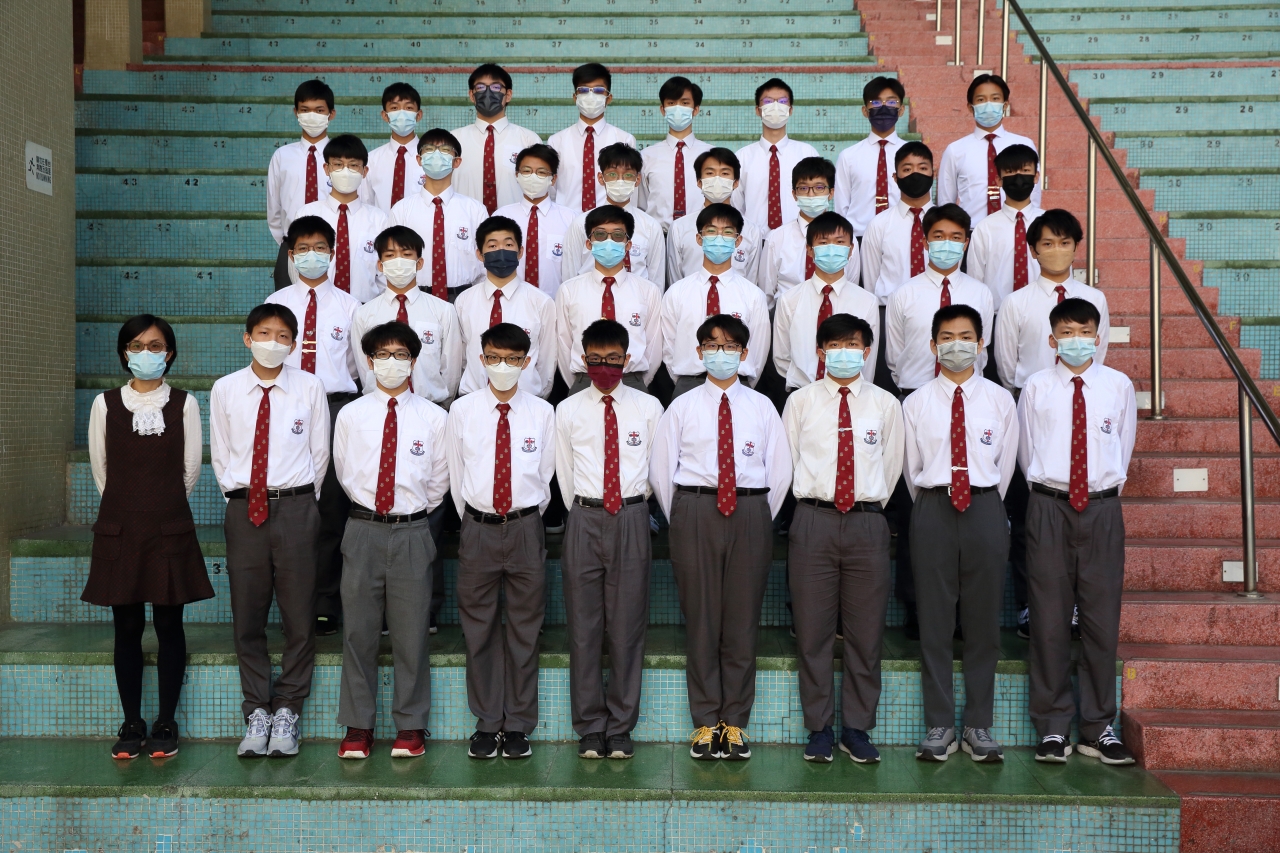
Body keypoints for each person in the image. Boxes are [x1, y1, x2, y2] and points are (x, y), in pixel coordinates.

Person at [650, 314, 792, 761]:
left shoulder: (762, 406)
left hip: (750, 511)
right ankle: (705, 722)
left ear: (745, 354)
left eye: (731, 346)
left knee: (742, 622)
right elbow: (661, 471)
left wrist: (755, 515)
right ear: (699, 353)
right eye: (712, 345)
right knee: (702, 621)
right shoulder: (682, 407)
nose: (721, 353)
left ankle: (734, 723)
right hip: (695, 510)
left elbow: (780, 471)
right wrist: (685, 517)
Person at [1019, 298, 1137, 766]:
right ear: (1052, 340)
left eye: (1085, 331)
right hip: (1049, 506)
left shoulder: (1118, 386)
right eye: (1066, 332)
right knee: (1048, 620)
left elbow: (1123, 447)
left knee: (1101, 620)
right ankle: (1052, 726)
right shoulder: (1036, 387)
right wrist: (1054, 492)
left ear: (1098, 337)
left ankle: (1097, 727)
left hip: (1102, 509)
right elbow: (1027, 450)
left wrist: (1097, 492)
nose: (1076, 340)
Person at [87, 315, 209, 761]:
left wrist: (160, 504)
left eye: (155, 346)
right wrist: (129, 506)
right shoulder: (105, 404)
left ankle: (166, 722)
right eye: (136, 346)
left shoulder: (185, 403)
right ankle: (132, 722)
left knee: (169, 625)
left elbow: (190, 469)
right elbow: (100, 468)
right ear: (124, 353)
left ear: (169, 353)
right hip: (120, 527)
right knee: (126, 628)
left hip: (168, 526)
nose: (146, 353)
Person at [210, 303, 330, 758]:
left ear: (294, 344)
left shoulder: (309, 387)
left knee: (299, 615)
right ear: (247, 338)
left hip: (296, 507)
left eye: (283, 336)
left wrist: (299, 501)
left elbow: (320, 454)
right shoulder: (225, 389)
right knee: (248, 615)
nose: (273, 342)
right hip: (245, 509)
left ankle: (287, 711)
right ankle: (256, 710)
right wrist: (242, 499)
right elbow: (221, 454)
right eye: (264, 333)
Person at [783, 313, 903, 764]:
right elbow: (788, 460)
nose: (844, 352)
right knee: (813, 632)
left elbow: (892, 466)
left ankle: (856, 728)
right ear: (820, 352)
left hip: (867, 522)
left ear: (867, 352)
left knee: (865, 633)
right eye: (834, 345)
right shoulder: (801, 402)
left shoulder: (885, 404)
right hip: (813, 519)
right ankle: (819, 728)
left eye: (853, 344)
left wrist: (865, 506)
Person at [902, 304, 1017, 762]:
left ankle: (978, 725)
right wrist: (938, 498)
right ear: (933, 346)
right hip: (932, 507)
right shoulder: (915, 402)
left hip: (985, 507)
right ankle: (940, 725)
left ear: (981, 344)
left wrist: (983, 500)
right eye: (947, 338)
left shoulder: (1000, 400)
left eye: (966, 337)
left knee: (983, 623)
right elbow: (911, 469)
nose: (957, 345)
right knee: (934, 623)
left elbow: (1006, 464)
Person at [334, 321, 449, 761]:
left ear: (414, 361)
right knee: (358, 632)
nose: (392, 362)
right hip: (363, 528)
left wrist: (408, 514)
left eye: (401, 354)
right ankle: (358, 726)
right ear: (368, 361)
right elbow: (345, 473)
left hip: (413, 531)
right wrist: (374, 511)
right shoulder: (351, 415)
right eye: (382, 354)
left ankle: (410, 725)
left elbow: (438, 483)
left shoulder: (434, 417)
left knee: (411, 633)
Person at [994, 209, 1109, 639]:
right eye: (1047, 243)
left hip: (1080, 410)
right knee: (1029, 515)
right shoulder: (1016, 302)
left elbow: (1098, 356)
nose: (1056, 250)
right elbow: (1006, 365)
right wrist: (1034, 396)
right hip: (1032, 409)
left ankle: (1078, 608)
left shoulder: (1095, 299)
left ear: (1076, 247)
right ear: (1033, 250)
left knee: (1081, 522)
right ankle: (1031, 606)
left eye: (1064, 242)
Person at [445, 323, 557, 760]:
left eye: (512, 359)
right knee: (480, 629)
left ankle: (518, 725)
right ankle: (488, 721)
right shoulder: (463, 411)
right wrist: (476, 518)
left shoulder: (542, 413)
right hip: (478, 527)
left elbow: (546, 476)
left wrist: (523, 517)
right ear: (481, 360)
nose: (503, 366)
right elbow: (457, 475)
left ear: (527, 362)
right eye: (494, 358)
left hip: (526, 525)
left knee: (525, 628)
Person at [556, 319, 665, 759]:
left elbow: (657, 469)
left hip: (632, 517)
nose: (605, 367)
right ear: (584, 361)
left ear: (627, 359)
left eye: (614, 359)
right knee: (584, 629)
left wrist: (633, 508)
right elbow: (564, 473)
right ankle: (589, 725)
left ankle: (620, 726)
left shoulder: (648, 408)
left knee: (626, 628)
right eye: (596, 360)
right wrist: (587, 508)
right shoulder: (567, 410)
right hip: (584, 516)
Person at [265, 216, 361, 637]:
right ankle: (293, 602)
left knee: (333, 507)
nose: (311, 255)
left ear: (333, 253)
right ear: (290, 255)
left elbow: (355, 367)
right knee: (293, 506)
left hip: (335, 406)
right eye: (302, 248)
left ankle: (325, 601)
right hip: (288, 407)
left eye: (320, 247)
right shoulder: (277, 301)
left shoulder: (350, 306)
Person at [859, 142, 937, 637]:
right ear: (894, 174)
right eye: (906, 167)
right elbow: (871, 278)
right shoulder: (880, 225)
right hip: (894, 329)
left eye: (922, 167)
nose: (914, 173)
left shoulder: (947, 225)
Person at [661, 204, 770, 399]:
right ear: (699, 238)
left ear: (738, 240)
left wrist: (743, 381)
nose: (719, 238)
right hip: (689, 385)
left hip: (738, 386)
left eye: (727, 232)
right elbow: (668, 347)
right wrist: (686, 380)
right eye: (711, 231)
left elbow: (758, 352)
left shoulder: (753, 295)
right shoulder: (677, 293)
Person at [351, 225, 464, 409]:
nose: (398, 261)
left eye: (406, 254)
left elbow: (451, 368)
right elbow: (365, 370)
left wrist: (441, 406)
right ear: (380, 265)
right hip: (379, 409)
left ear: (419, 263)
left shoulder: (443, 310)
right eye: (390, 255)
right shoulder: (364, 314)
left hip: (431, 407)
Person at [885, 204, 994, 394]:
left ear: (965, 244)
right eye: (939, 236)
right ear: (925, 242)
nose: (947, 243)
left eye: (955, 237)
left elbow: (981, 351)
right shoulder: (903, 294)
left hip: (967, 393)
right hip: (915, 391)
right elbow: (895, 355)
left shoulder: (981, 293)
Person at [555, 207, 663, 395]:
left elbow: (654, 348)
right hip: (584, 382)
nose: (609, 241)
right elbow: (563, 347)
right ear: (589, 243)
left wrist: (636, 380)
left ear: (628, 245)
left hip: (632, 382)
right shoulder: (569, 290)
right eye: (600, 235)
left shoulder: (648, 291)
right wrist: (580, 381)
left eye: (618, 235)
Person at [774, 212, 879, 392]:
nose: (831, 249)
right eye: (823, 243)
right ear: (809, 250)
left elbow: (868, 359)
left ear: (851, 249)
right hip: (802, 393)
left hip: (849, 394)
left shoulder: (867, 301)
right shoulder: (789, 299)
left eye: (839, 242)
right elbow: (782, 357)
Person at [454, 215, 557, 398]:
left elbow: (547, 362)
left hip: (526, 400)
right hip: (473, 400)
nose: (501, 251)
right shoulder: (464, 301)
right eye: (492, 246)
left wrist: (536, 400)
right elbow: (460, 358)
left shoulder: (541, 302)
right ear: (479, 254)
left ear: (520, 252)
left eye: (508, 245)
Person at [387, 128, 488, 301]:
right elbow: (390, 259)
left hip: (464, 297)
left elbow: (485, 263)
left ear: (456, 161)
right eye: (429, 149)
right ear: (419, 159)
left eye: (445, 150)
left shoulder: (475, 210)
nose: (436, 155)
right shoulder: (401, 210)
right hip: (416, 298)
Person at [292, 133, 389, 303]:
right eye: (338, 164)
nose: (345, 171)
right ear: (326, 168)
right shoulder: (307, 214)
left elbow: (385, 274)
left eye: (353, 165)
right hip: (319, 305)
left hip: (366, 307)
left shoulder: (379, 219)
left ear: (364, 171)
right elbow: (296, 268)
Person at [936, 74, 1041, 226]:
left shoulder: (1024, 144)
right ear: (970, 107)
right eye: (981, 100)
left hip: (1016, 229)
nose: (988, 105)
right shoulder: (955, 150)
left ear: (1005, 105)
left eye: (995, 98)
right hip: (972, 230)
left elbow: (1034, 195)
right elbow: (946, 202)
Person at [560, 143, 665, 286]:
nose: (620, 180)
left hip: (638, 299)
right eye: (612, 174)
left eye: (628, 175)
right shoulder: (580, 224)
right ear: (601, 178)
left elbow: (656, 281)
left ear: (638, 179)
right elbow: (569, 277)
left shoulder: (651, 226)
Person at [760, 157, 854, 310]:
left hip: (835, 315)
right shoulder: (776, 238)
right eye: (803, 188)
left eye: (819, 187)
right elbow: (766, 293)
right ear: (794, 194)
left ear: (831, 193)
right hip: (788, 315)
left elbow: (852, 284)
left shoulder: (845, 237)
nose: (811, 195)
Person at [268, 79, 336, 289]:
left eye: (319, 110)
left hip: (331, 248)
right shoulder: (282, 156)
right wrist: (290, 241)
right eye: (305, 110)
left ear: (331, 114)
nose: (312, 115)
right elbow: (274, 210)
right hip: (292, 246)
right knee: (287, 304)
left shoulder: (341, 158)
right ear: (296, 112)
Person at [452, 63, 542, 215]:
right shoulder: (454, 140)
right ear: (471, 95)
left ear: (508, 95)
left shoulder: (528, 140)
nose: (488, 93)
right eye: (480, 87)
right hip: (465, 222)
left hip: (515, 224)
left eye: (496, 87)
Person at [548, 63, 638, 213]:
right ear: (575, 97)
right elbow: (551, 190)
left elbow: (630, 189)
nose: (591, 96)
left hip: (610, 220)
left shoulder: (624, 139)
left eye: (598, 90)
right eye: (583, 90)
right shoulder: (556, 141)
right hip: (567, 220)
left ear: (609, 98)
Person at [734, 78, 819, 236]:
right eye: (768, 101)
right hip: (754, 240)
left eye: (782, 101)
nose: (775, 106)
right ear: (758, 110)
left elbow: (818, 200)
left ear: (790, 110)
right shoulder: (742, 157)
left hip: (797, 239)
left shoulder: (807, 153)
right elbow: (735, 206)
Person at [666, 148, 762, 285]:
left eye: (725, 173)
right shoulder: (679, 227)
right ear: (699, 182)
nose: (717, 179)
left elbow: (751, 282)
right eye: (710, 173)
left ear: (735, 182)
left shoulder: (751, 230)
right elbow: (675, 280)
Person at [492, 144, 577, 299]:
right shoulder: (501, 216)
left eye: (541, 172)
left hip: (555, 303)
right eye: (526, 171)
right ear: (517, 175)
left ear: (553, 179)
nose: (533, 177)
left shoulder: (570, 219)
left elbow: (576, 268)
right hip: (511, 303)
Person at [966, 144, 1045, 312]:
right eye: (1010, 172)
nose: (1018, 177)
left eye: (1025, 171)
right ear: (999, 180)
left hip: (1044, 313)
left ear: (1036, 176)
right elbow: (975, 281)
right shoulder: (984, 228)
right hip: (998, 314)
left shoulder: (1050, 223)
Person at [834, 76, 908, 240]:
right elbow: (841, 206)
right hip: (859, 236)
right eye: (876, 102)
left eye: (891, 102)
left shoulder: (912, 154)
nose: (883, 107)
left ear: (901, 110)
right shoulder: (848, 156)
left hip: (900, 236)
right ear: (865, 111)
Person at [639, 76, 711, 232]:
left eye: (685, 103)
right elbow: (641, 205)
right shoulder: (646, 157)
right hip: (658, 236)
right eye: (671, 103)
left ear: (696, 109)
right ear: (663, 110)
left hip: (699, 236)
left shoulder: (711, 155)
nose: (678, 108)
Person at [366, 82, 426, 214]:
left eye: (409, 108)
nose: (402, 114)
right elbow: (366, 206)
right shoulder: (371, 160)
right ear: (385, 115)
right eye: (394, 108)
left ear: (419, 115)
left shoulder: (430, 159)